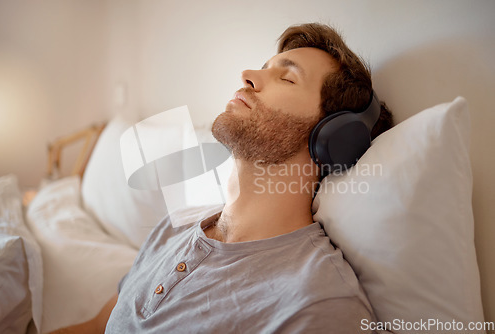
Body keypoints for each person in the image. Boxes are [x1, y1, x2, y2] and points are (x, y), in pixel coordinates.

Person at [52, 22, 393, 333]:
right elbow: (98, 325)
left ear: (334, 137)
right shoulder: (174, 227)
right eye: (262, 68)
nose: (247, 74)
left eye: (287, 78)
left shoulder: (317, 305)